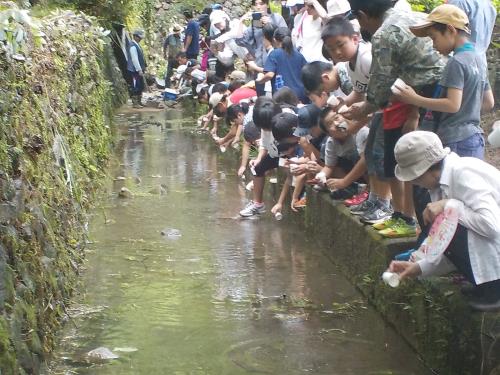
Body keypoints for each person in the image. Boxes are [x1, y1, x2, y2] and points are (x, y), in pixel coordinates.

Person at [388, 131, 500, 312]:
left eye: (416, 178)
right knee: (445, 223)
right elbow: (443, 240)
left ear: (428, 169)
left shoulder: (462, 173)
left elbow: (491, 226)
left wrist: (450, 205)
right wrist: (418, 268)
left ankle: (495, 288)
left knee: (450, 221)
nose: (416, 184)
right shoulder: (440, 184)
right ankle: (485, 285)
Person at [394, 4, 495, 159]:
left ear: (450, 30)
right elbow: (488, 102)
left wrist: (414, 99)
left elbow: (453, 105)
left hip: (454, 141)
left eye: (434, 38)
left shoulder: (456, 62)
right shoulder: (478, 59)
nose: (434, 45)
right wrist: (467, 110)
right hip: (474, 138)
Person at [257, 27, 309, 103]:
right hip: (300, 94)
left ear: (274, 40)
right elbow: (307, 73)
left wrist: (260, 81)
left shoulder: (274, 54)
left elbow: (270, 74)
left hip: (283, 96)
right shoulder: (299, 55)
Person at [448, 0, 497, 66]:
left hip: (459, 62)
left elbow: (447, 35)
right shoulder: (490, 6)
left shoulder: (459, 2)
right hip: (480, 64)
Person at [126, 29, 147, 109]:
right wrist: (139, 69)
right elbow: (134, 59)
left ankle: (139, 101)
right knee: (136, 85)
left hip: (138, 70)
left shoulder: (136, 44)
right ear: (135, 36)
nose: (140, 39)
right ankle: (135, 103)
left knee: (140, 85)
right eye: (139, 37)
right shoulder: (132, 46)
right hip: (134, 70)